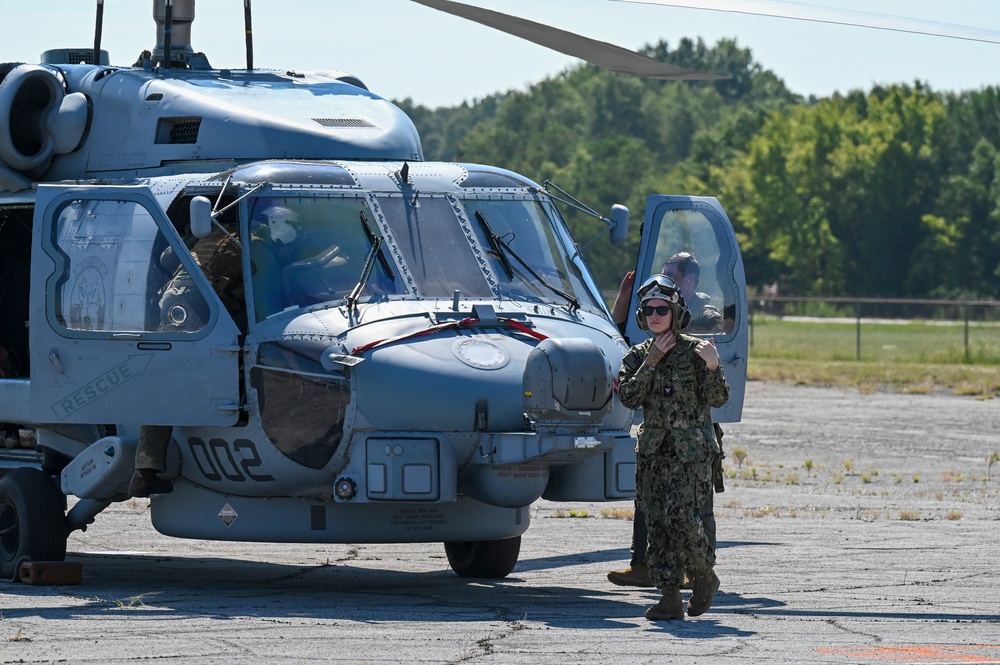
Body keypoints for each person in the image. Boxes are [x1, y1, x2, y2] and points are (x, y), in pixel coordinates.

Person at [607, 252, 727, 588]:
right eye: (649, 310)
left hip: (692, 441)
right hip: (656, 445)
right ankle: (656, 576)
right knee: (653, 510)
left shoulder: (701, 325)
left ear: (689, 282)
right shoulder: (641, 353)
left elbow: (718, 394)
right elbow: (627, 391)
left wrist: (712, 364)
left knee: (691, 510)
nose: (655, 313)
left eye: (662, 308)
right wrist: (627, 299)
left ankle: (701, 572)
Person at [128, 216, 245, 498]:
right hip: (195, 305)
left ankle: (146, 470)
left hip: (172, 300)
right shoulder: (253, 242)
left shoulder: (212, 233)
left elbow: (169, 259)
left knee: (163, 379)